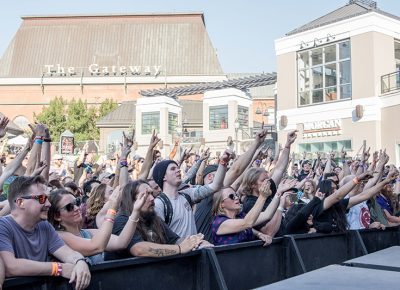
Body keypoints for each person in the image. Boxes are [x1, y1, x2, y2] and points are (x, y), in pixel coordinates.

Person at [0, 176, 91, 290]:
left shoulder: (44, 225)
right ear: (20, 202)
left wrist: (80, 262)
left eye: (47, 198)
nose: (48, 204)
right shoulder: (3, 226)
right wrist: (58, 268)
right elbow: (11, 267)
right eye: (42, 198)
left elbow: (66, 253)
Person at [105, 180, 207, 260]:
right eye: (146, 195)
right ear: (132, 201)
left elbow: (174, 240)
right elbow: (139, 249)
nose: (152, 198)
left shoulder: (153, 217)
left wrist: (195, 242)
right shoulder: (121, 221)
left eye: (151, 194)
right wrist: (179, 249)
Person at [48, 187, 144, 265]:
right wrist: (111, 210)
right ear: (57, 216)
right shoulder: (58, 236)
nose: (77, 208)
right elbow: (97, 246)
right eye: (70, 207)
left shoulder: (88, 233)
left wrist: (136, 211)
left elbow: (121, 242)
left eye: (77, 202)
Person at [152, 150, 232, 238]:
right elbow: (159, 237)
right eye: (172, 169)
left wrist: (223, 163)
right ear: (163, 176)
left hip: (195, 251)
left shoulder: (187, 195)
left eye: (178, 168)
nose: (178, 170)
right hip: (177, 251)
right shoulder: (159, 204)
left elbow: (215, 186)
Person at [211, 181, 287, 246]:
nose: (237, 198)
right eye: (232, 196)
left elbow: (266, 215)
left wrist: (278, 193)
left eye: (236, 195)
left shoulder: (240, 216)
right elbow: (247, 223)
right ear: (221, 204)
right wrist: (262, 196)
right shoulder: (219, 222)